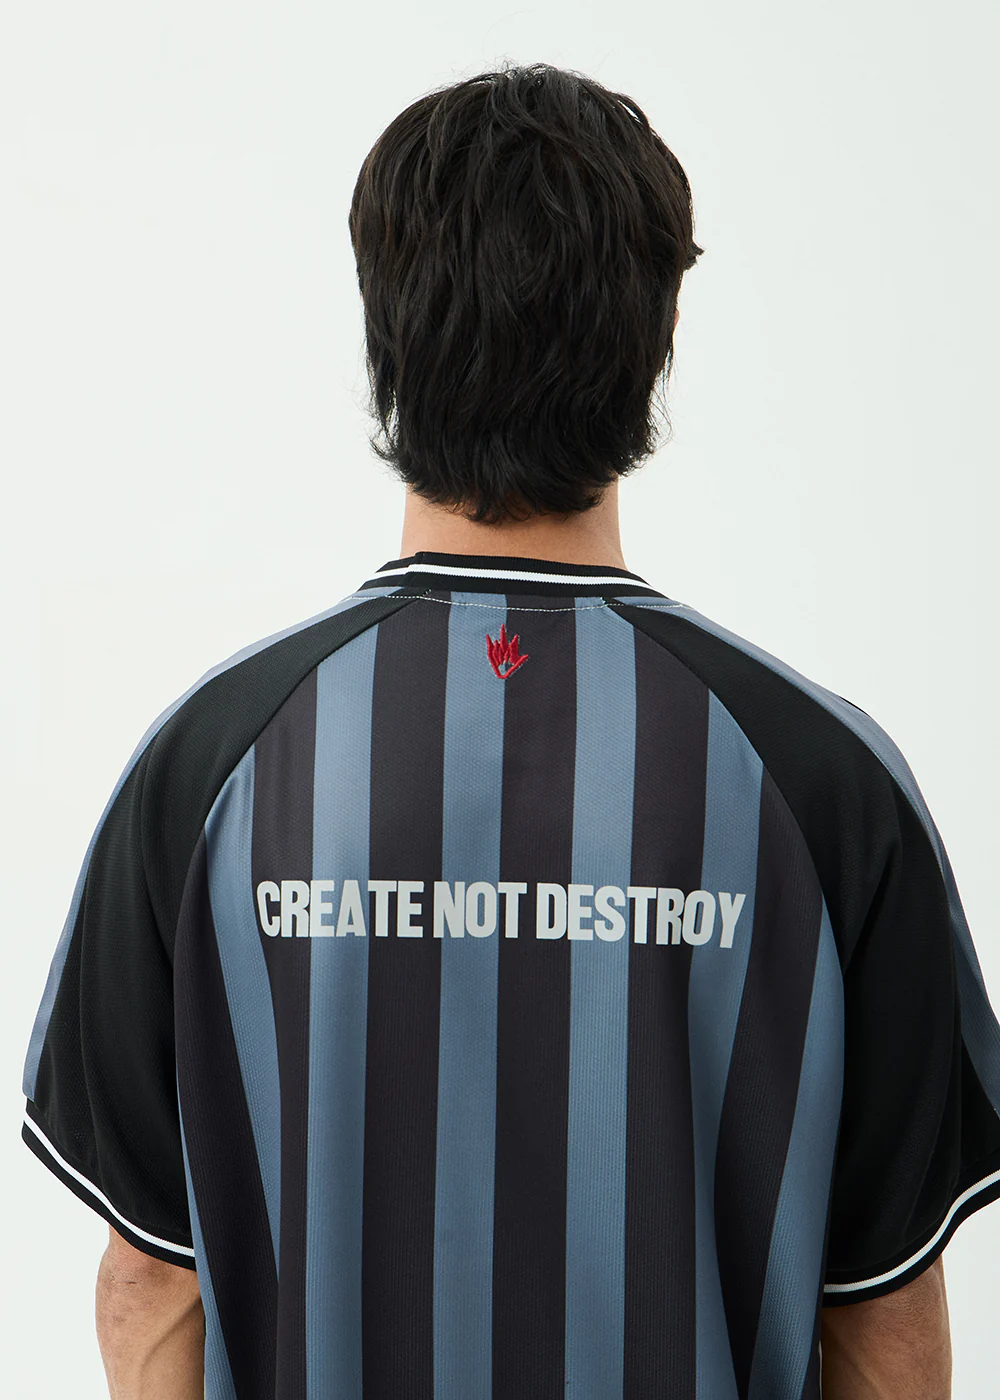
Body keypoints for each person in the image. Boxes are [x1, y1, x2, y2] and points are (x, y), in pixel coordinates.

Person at [20, 61, 998, 1400]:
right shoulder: (826, 780)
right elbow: (883, 1321)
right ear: (657, 337)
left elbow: (153, 1286)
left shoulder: (206, 766)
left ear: (385, 332)